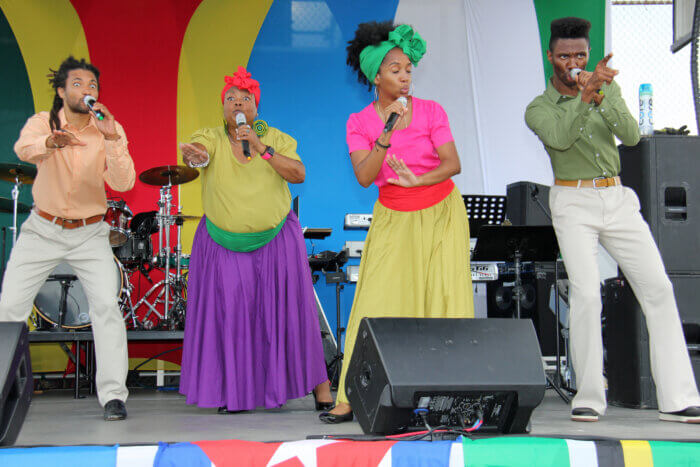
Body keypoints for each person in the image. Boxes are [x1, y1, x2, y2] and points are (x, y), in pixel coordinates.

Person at [525, 17, 700, 423]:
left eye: (581, 55)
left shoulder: (606, 87)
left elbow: (632, 136)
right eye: (565, 55)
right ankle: (588, 396)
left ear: (589, 54)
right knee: (586, 294)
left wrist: (601, 95)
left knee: (658, 288)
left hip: (617, 197)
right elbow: (560, 139)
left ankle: (677, 398)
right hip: (572, 199)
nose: (574, 62)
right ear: (550, 57)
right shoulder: (538, 107)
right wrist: (584, 100)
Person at [320, 22, 474, 424]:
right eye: (395, 69)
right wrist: (386, 130)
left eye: (408, 68)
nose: (405, 76)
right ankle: (350, 395)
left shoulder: (432, 110)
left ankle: (452, 395)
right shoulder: (360, 122)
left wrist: (417, 179)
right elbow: (365, 176)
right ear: (376, 75)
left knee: (444, 302)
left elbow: (452, 164)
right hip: (393, 216)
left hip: (441, 213)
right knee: (374, 304)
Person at [178, 66, 333, 413]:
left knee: (296, 314)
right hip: (223, 243)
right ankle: (234, 393)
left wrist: (261, 147)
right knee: (232, 317)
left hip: (277, 240)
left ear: (255, 108)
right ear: (223, 109)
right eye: (230, 98)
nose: (236, 102)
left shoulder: (274, 137)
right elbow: (199, 154)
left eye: (244, 98)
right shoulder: (212, 136)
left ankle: (321, 391)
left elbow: (299, 173)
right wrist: (197, 156)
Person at [0, 56, 135, 421]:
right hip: (42, 228)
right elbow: (24, 150)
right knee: (9, 306)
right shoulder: (42, 122)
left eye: (92, 86)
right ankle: (2, 389)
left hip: (90, 232)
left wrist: (111, 142)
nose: (87, 91)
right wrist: (50, 143)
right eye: (78, 84)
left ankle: (113, 397)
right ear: (61, 91)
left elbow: (124, 184)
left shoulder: (108, 127)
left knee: (107, 308)